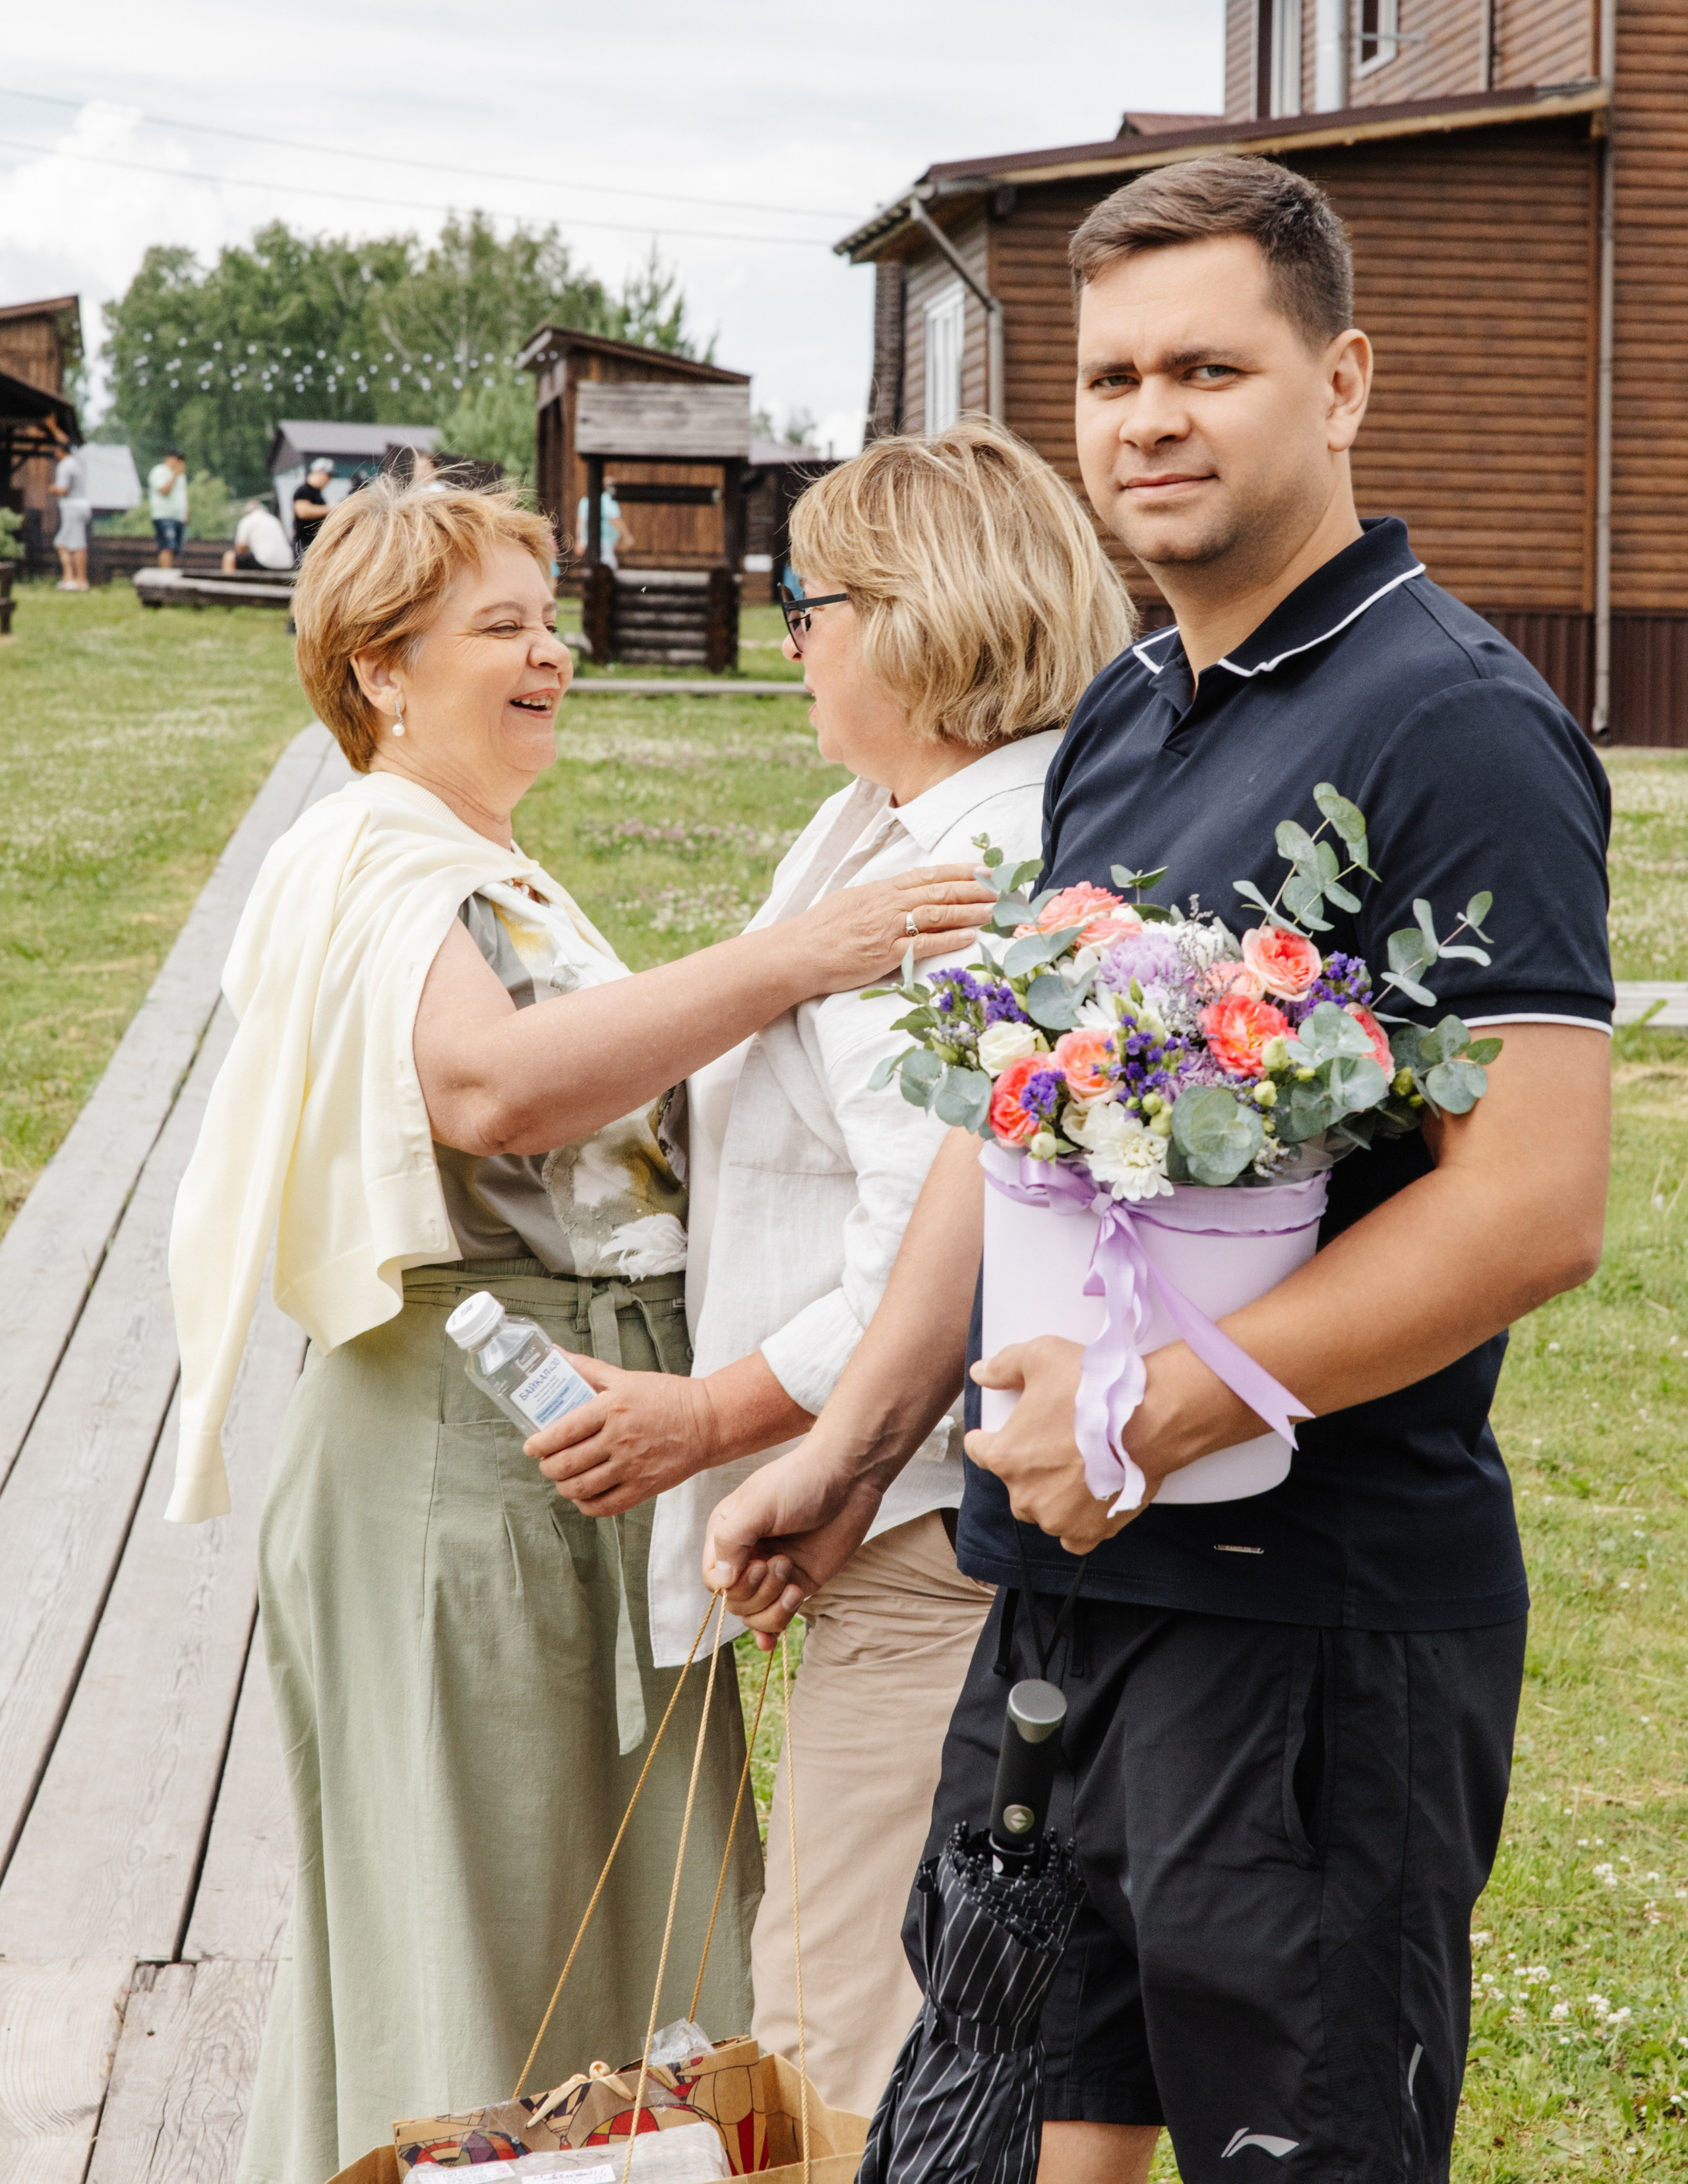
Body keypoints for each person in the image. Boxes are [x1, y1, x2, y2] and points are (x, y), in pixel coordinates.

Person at [706, 158, 1613, 2184]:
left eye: (1208, 363)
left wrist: (1160, 1401)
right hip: (1060, 1601)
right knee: (1031, 2142)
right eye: (1112, 375)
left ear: (1342, 377)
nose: (1148, 416)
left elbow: (1533, 1197)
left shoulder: (1452, 719)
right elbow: (1005, 1112)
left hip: (1316, 1628)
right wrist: (858, 1440)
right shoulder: (1125, 709)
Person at [164, 469, 992, 2184]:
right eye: (499, 629)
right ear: (379, 669)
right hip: (468, 1457)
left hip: (581, 1462)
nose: (551, 656)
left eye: (553, 623)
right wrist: (802, 957)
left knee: (606, 1939)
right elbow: (488, 1089)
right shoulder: (371, 849)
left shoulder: (491, 868)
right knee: (488, 1947)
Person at [528, 421, 1133, 2116]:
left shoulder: (954, 873)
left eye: (807, 604)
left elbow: (920, 1247)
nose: (788, 639)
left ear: (916, 613)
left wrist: (712, 1417)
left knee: (840, 2039)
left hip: (918, 1518)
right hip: (898, 1501)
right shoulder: (906, 819)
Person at [49, 444, 92, 590]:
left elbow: (63, 490)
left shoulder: (65, 466)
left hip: (72, 508)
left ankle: (80, 581)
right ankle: (69, 579)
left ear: (60, 451)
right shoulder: (78, 463)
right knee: (63, 543)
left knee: (77, 544)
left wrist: (52, 488)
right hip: (82, 506)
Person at [222, 494, 295, 574]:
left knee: (229, 557)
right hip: (287, 563)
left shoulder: (248, 520)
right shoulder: (273, 520)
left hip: (266, 562)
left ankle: (229, 584)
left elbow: (240, 548)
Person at [148, 446, 191, 567]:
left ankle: (171, 574)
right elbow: (164, 491)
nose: (179, 462)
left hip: (179, 517)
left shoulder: (181, 477)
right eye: (177, 459)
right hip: (164, 516)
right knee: (167, 547)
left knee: (176, 549)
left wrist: (186, 513)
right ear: (169, 458)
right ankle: (165, 577)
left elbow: (183, 496)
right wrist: (175, 475)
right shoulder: (159, 471)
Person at [576, 481, 634, 565]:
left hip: (588, 541)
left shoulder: (585, 501)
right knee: (609, 567)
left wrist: (580, 540)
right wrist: (627, 536)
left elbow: (581, 523)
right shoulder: (608, 500)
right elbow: (615, 519)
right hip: (604, 542)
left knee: (591, 567)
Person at [291, 455, 336, 551]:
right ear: (318, 473)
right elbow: (303, 512)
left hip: (314, 543)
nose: (329, 480)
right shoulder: (304, 491)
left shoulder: (317, 494)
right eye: (328, 476)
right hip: (304, 543)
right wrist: (331, 509)